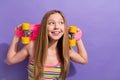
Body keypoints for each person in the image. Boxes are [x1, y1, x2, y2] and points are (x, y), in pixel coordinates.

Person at [6, 10, 88, 80]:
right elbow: (10, 60)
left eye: (61, 23)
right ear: (44, 27)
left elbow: (84, 60)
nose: (57, 27)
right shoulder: (32, 47)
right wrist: (17, 35)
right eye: (51, 23)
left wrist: (78, 38)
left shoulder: (65, 50)